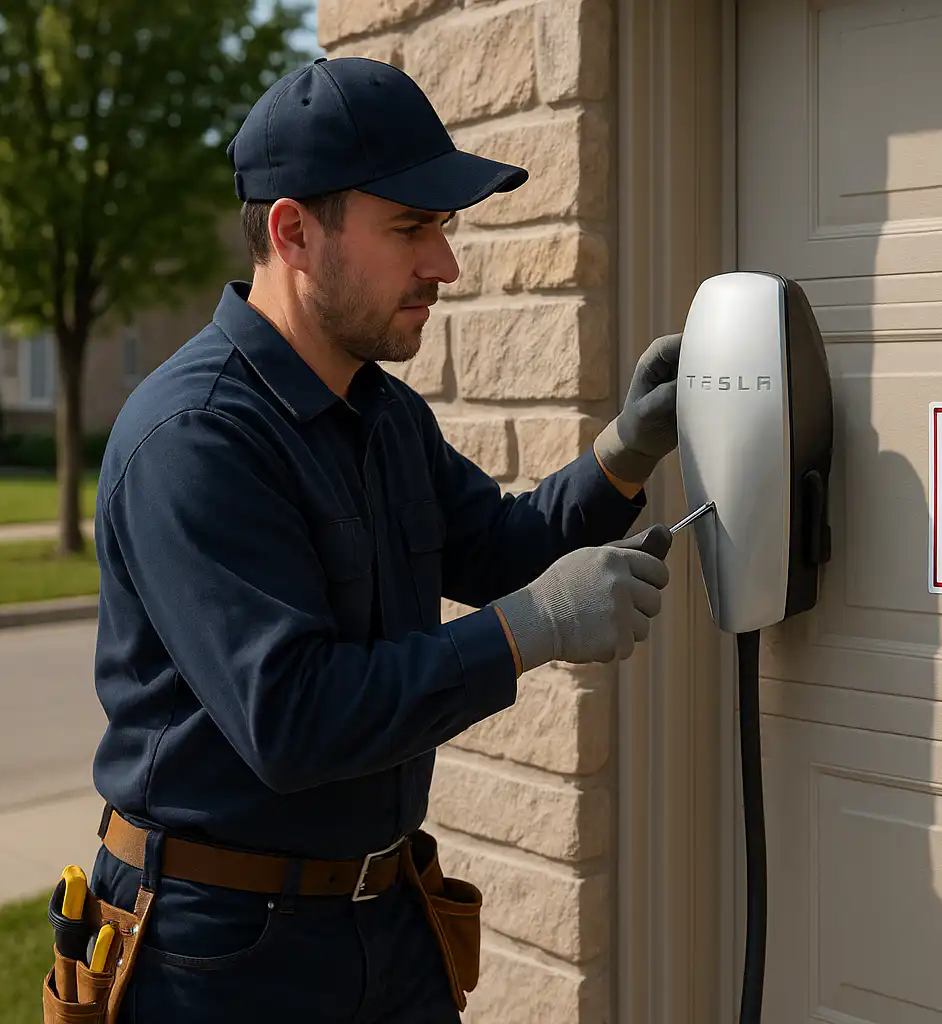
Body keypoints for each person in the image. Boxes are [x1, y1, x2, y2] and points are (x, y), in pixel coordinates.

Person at [82, 56, 682, 1022]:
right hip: (221, 951)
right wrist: (533, 629)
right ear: (293, 232)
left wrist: (625, 449)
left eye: (441, 227)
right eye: (410, 228)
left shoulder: (381, 414)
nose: (444, 264)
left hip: (386, 916)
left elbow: (500, 546)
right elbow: (295, 717)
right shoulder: (193, 438)